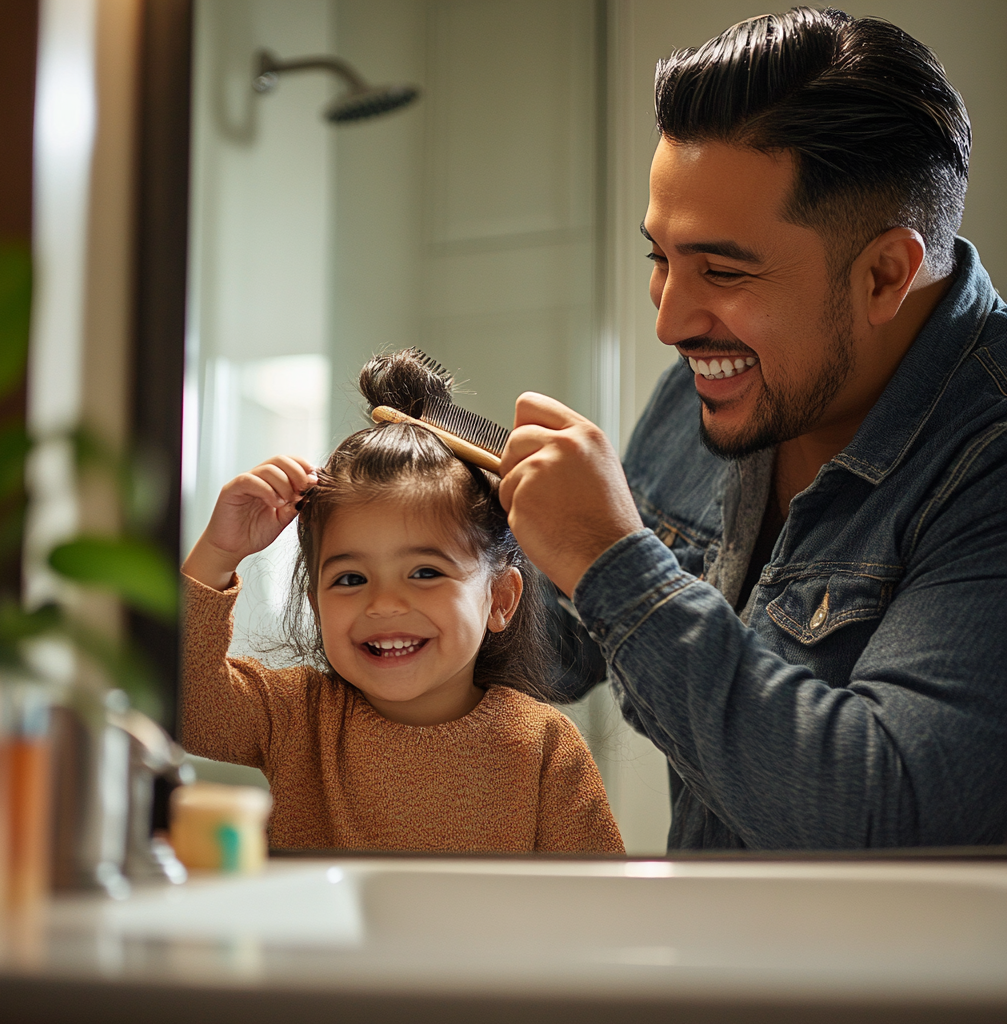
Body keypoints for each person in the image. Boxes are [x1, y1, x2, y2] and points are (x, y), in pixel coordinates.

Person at [499, 7, 1007, 849]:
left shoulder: (988, 458)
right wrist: (431, 555)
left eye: (723, 270)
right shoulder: (719, 387)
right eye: (659, 258)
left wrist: (611, 563)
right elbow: (560, 651)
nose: (669, 321)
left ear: (886, 274)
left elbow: (884, 814)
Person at [179, 351, 624, 854]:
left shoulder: (544, 747)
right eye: (350, 579)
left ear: (501, 598)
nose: (385, 603)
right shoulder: (297, 717)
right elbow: (182, 704)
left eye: (425, 572)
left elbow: (598, 905)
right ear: (316, 602)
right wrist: (218, 552)